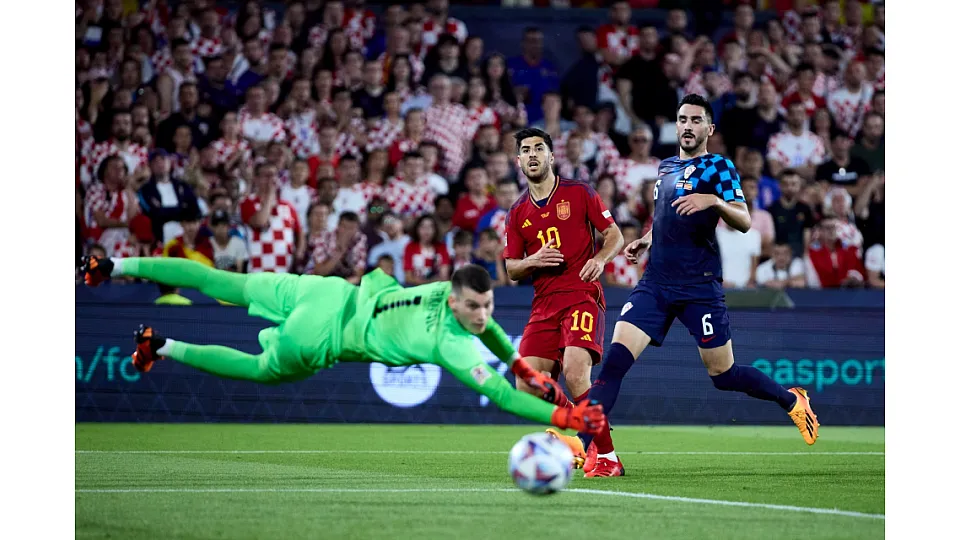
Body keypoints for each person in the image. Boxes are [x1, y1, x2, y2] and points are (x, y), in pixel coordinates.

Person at [548, 95, 820, 479]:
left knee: (723, 375)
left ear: (709, 128)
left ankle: (790, 399)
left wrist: (714, 201)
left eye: (695, 120)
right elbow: (666, 218)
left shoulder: (719, 167)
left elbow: (744, 220)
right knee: (614, 364)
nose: (688, 126)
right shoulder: (666, 167)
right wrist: (647, 239)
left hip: (699, 286)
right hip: (656, 284)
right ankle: (584, 445)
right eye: (682, 119)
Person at [79, 257, 607, 436]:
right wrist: (564, 417)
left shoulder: (444, 292)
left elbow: (485, 329)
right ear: (454, 302)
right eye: (475, 307)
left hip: (325, 291)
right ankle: (164, 346)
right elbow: (505, 397)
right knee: (260, 369)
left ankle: (114, 265)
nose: (484, 315)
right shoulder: (449, 345)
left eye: (487, 306)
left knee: (221, 281)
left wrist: (519, 363)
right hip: (323, 336)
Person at [503, 127, 624, 449]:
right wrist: (534, 260)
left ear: (551, 157)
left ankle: (606, 456)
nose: (532, 154)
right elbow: (511, 268)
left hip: (580, 294)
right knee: (526, 384)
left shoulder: (580, 192)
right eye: (525, 150)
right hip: (543, 304)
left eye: (538, 148)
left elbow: (614, 234)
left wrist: (600, 259)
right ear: (518, 161)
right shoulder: (517, 213)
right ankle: (586, 422)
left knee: (574, 371)